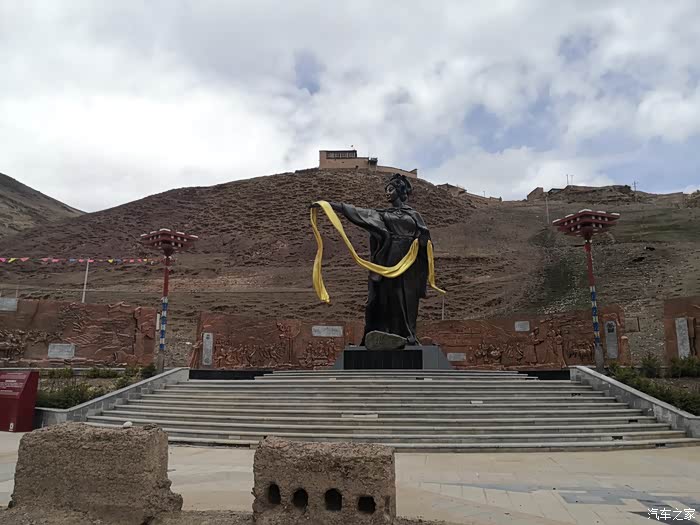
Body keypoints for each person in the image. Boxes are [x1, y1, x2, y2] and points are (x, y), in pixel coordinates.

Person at [311, 173, 435, 345]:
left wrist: (422, 243)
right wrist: (328, 205)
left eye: (390, 189)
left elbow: (424, 235)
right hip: (390, 257)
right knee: (389, 294)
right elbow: (357, 212)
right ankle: (386, 332)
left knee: (408, 296)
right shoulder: (382, 214)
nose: (387, 193)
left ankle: (408, 333)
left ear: (399, 191)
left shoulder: (414, 214)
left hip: (411, 259)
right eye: (386, 190)